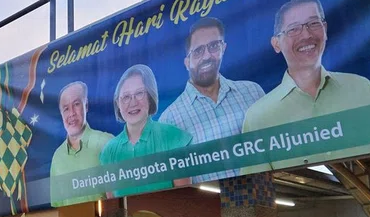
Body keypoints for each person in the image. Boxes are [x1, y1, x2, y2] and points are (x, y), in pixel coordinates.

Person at [242, 0, 370, 169]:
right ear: (276, 44)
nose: (306, 35)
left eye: (313, 23)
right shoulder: (258, 118)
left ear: (325, 29)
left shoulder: (362, 88)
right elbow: (257, 190)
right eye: (293, 29)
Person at [159, 17, 264, 180]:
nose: (207, 56)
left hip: (264, 196)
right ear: (187, 62)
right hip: (207, 204)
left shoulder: (252, 92)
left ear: (224, 48)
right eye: (198, 51)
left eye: (214, 46)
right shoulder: (169, 120)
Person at [99, 65, 192, 197]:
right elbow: (113, 205)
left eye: (139, 93)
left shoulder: (173, 137)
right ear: (118, 103)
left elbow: (185, 197)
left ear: (150, 97)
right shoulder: (108, 151)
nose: (133, 102)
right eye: (126, 97)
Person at [49, 81, 114, 207]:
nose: (72, 113)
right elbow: (57, 208)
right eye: (66, 108)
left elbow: (121, 196)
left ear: (86, 105)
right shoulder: (57, 157)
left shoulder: (107, 143)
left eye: (76, 104)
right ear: (61, 113)